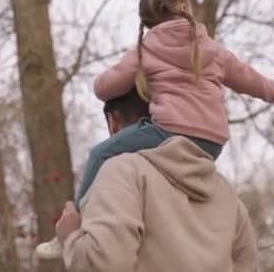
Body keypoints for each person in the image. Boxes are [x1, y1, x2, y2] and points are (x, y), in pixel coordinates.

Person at [37, 0, 274, 257]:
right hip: (212, 143)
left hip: (168, 133)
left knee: (100, 154)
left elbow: (103, 88)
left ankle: (74, 224)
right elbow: (250, 79)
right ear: (184, 7)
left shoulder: (147, 49)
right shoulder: (213, 50)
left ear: (147, 22)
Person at [55, 89, 259, 271]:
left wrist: (70, 238)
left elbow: (105, 264)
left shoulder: (121, 171)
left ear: (113, 122)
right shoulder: (225, 193)